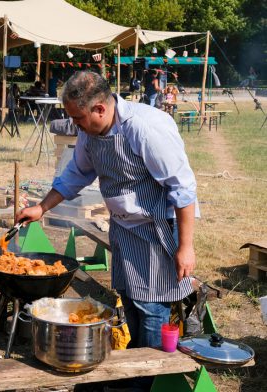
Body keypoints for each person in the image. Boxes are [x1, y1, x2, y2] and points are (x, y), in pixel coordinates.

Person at [17, 71, 197, 351]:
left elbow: (183, 189)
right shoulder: (91, 132)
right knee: (129, 298)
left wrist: (186, 247)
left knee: (151, 306)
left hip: (157, 228)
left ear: (100, 108)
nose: (75, 125)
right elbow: (76, 173)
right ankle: (133, 366)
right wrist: (41, 208)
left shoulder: (145, 129)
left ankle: (148, 375)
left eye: (78, 118)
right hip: (123, 226)